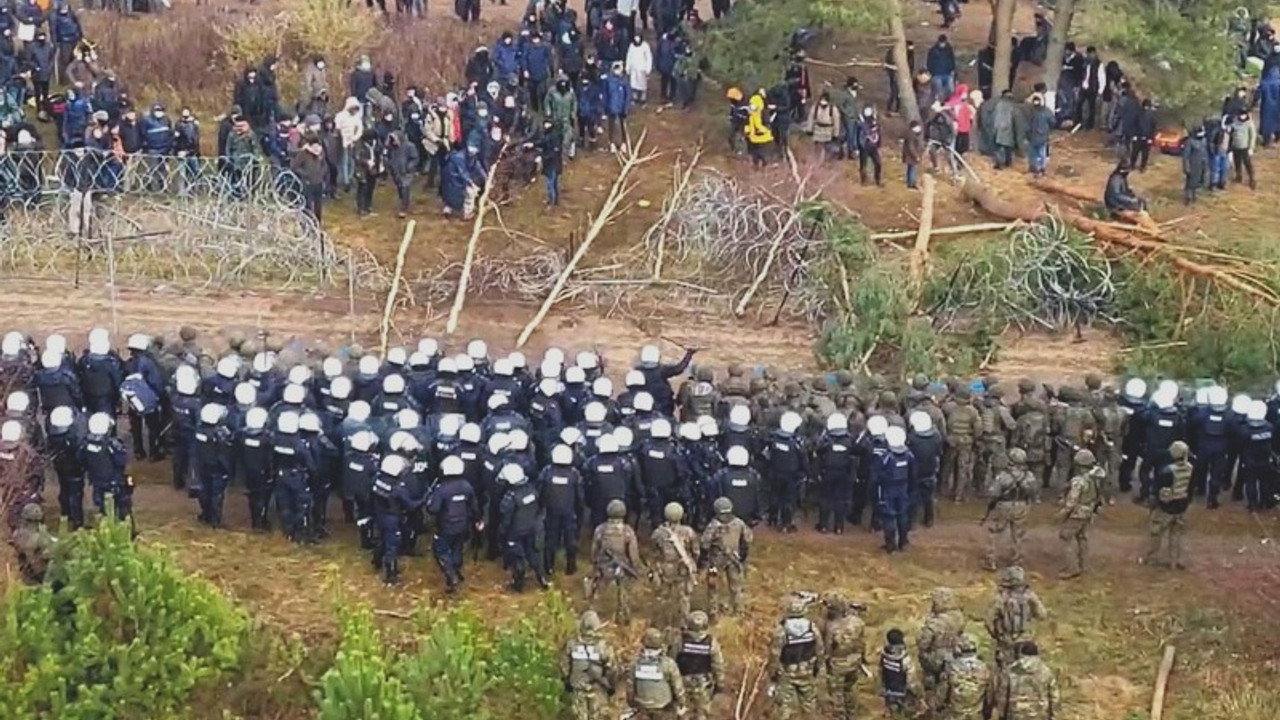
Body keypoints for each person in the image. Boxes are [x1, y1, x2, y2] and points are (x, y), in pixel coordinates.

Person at [427, 455, 481, 593]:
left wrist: (429, 499)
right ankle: (457, 570)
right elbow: (474, 507)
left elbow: (433, 509)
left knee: (441, 551)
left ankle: (451, 576)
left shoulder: (441, 489)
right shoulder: (466, 486)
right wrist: (477, 520)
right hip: (463, 526)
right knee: (457, 547)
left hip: (445, 527)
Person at [587, 498, 644, 622]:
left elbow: (594, 552)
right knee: (624, 595)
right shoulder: (628, 531)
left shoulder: (600, 530)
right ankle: (623, 617)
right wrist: (635, 568)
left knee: (600, 593)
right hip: (623, 570)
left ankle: (599, 617)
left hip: (604, 569)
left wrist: (595, 564)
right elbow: (633, 556)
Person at [770, 596, 824, 720]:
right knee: (809, 704)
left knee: (785, 706)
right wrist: (817, 668)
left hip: (787, 671)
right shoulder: (812, 627)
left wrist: (773, 674)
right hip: (807, 670)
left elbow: (774, 654)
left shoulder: (782, 630)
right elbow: (820, 649)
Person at [1140, 440, 1192, 569]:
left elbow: (1159, 490)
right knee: (1176, 535)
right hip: (1181, 506)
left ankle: (1151, 558)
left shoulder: (1167, 471)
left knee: (1156, 532)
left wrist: (1153, 503)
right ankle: (1175, 561)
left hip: (1166, 507)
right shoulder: (1190, 468)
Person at [984, 565, 1046, 670]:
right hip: (1026, 641)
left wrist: (996, 635)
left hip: (1006, 642)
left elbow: (988, 619)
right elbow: (1042, 615)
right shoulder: (1030, 596)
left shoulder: (1000, 598)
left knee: (1005, 672)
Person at [983, 447, 1036, 569]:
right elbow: (1034, 492)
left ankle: (991, 560)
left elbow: (993, 492)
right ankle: (1016, 560)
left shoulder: (1003, 476)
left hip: (1004, 506)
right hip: (1022, 505)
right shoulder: (1029, 476)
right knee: (1018, 534)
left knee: (996, 532)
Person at [699, 496, 752, 618]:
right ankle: (739, 611)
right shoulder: (739, 523)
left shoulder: (713, 525)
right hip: (734, 559)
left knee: (713, 588)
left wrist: (703, 561)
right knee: (736, 587)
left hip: (716, 561)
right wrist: (743, 556)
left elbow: (704, 544)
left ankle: (714, 613)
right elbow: (747, 540)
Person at [650, 501, 700, 626]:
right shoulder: (689, 532)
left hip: (664, 569)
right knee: (684, 597)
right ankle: (684, 624)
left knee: (663, 596)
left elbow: (654, 552)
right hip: (683, 568)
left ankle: (662, 623)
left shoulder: (658, 533)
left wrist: (656, 567)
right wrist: (691, 563)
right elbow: (696, 552)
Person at [563, 610, 617, 720]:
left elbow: (564, 664)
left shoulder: (572, 643)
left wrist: (567, 680)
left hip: (577, 687)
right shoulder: (603, 645)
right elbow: (612, 668)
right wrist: (609, 685)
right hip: (598, 688)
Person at [918, 587, 966, 711]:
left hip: (936, 659)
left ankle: (932, 708)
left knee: (932, 686)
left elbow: (923, 643)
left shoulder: (935, 623)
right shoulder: (959, 617)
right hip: (955, 655)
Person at [670, 610, 724, 720]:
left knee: (683, 713)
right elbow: (718, 665)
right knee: (702, 714)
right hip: (703, 685)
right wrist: (720, 683)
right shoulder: (711, 642)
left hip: (682, 683)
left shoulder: (680, 640)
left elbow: (671, 661)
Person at [1058, 448, 1103, 579]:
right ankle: (1085, 565)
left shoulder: (1078, 481)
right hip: (1090, 510)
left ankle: (1072, 568)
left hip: (1078, 512)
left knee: (1066, 537)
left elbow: (1072, 500)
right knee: (1082, 537)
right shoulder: (1096, 477)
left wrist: (1063, 512)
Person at [821, 593, 867, 720]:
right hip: (854, 662)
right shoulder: (858, 622)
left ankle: (840, 716)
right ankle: (851, 714)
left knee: (836, 693)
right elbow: (862, 643)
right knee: (850, 689)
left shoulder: (831, 627)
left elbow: (827, 649)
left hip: (837, 665)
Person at [627, 627, 687, 719]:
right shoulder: (668, 664)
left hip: (642, 710)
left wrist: (632, 704)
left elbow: (630, 688)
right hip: (664, 710)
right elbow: (678, 688)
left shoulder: (635, 664)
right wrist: (681, 703)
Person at [81, 412, 131, 521]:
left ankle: (106, 528)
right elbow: (121, 461)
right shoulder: (112, 444)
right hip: (114, 481)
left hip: (97, 482)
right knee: (123, 507)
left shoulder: (85, 444)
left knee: (103, 509)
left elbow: (82, 460)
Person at [193, 403, 234, 528]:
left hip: (202, 466)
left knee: (204, 491)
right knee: (217, 495)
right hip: (217, 469)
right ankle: (215, 520)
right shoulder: (219, 434)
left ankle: (205, 514)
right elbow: (223, 455)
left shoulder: (199, 430)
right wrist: (228, 471)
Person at [993, 642, 1059, 720]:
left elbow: (1003, 695)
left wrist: (1002, 715)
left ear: (1022, 653)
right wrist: (1054, 716)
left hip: (1015, 714)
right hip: (1040, 715)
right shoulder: (1046, 671)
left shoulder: (1011, 670)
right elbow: (1054, 697)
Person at [940, 634, 992, 720]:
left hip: (956, 714)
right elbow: (989, 695)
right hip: (976, 714)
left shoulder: (952, 668)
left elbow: (943, 693)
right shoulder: (984, 669)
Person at [878, 628, 918, 718]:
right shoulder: (904, 658)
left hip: (888, 688)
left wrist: (882, 686)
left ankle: (889, 712)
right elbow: (911, 675)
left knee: (891, 707)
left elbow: (880, 670)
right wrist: (915, 690)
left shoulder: (884, 654)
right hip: (902, 690)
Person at [10, 503, 52, 584]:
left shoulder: (16, 534)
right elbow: (48, 556)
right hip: (39, 575)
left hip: (24, 574)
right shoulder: (40, 538)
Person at [535, 118, 565, 206]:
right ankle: (554, 201)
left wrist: (542, 157)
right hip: (551, 164)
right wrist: (533, 144)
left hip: (553, 164)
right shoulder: (548, 134)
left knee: (550, 184)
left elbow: (554, 152)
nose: (545, 126)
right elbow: (542, 142)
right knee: (553, 183)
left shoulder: (554, 136)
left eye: (547, 124)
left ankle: (551, 202)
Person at [806, 92, 842, 162]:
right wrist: (809, 129)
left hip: (828, 130)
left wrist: (836, 134)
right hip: (818, 129)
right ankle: (817, 161)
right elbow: (810, 118)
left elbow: (836, 121)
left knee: (827, 147)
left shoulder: (833, 109)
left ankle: (826, 161)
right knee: (817, 147)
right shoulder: (815, 107)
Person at [1026, 93, 1053, 177]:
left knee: (1034, 153)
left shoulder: (1031, 111)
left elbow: (1028, 124)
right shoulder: (1047, 111)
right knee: (1041, 154)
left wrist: (1027, 135)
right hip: (1042, 136)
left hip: (1033, 137)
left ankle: (1035, 168)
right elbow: (1053, 122)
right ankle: (1041, 169)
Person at [1181, 124, 1208, 205]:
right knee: (1190, 182)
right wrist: (1186, 167)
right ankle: (1188, 197)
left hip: (1201, 164)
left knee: (1197, 182)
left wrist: (1205, 165)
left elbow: (1205, 153)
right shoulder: (1189, 142)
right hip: (1192, 165)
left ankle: (1194, 195)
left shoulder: (1204, 140)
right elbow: (1185, 156)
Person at [745, 92, 774, 168]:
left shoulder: (764, 113)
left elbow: (767, 124)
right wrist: (747, 131)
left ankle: (764, 164)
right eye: (751, 105)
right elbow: (747, 123)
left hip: (762, 137)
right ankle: (756, 166)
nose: (752, 106)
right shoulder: (750, 114)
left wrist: (761, 130)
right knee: (754, 153)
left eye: (753, 105)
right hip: (753, 136)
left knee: (761, 152)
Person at [1230, 110, 1257, 189]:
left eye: (1244, 115)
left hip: (1245, 147)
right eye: (1241, 115)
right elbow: (1231, 134)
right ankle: (1239, 176)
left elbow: (1252, 136)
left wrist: (1251, 147)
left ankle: (1252, 179)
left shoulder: (1249, 124)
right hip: (1235, 147)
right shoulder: (1234, 122)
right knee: (1237, 163)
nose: (1242, 117)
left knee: (1248, 164)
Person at [1129, 98, 1157, 171]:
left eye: (1148, 106)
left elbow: (1153, 128)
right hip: (1138, 136)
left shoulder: (1152, 116)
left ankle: (1143, 167)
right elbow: (1133, 125)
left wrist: (1151, 138)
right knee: (1135, 152)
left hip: (1147, 137)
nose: (1146, 108)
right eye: (1145, 106)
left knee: (1145, 154)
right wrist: (1134, 135)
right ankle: (1132, 165)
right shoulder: (1138, 113)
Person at [857, 106, 883, 186]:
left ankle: (877, 180)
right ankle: (863, 181)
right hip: (864, 146)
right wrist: (859, 147)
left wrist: (879, 144)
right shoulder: (861, 125)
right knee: (863, 165)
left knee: (878, 163)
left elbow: (878, 134)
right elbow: (859, 136)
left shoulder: (875, 123)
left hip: (874, 147)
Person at [927, 35, 956, 101]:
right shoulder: (933, 51)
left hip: (947, 73)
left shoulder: (949, 49)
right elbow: (929, 62)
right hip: (937, 74)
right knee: (939, 92)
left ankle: (949, 102)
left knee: (950, 90)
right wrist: (932, 72)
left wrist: (952, 69)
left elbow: (952, 60)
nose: (942, 44)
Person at [626, 35, 653, 105]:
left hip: (642, 68)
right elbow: (629, 56)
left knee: (642, 84)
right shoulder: (631, 46)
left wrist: (648, 69)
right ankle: (634, 97)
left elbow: (649, 58)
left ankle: (643, 98)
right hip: (633, 68)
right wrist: (627, 67)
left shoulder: (645, 46)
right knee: (633, 84)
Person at [902, 120, 925, 189]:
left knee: (911, 169)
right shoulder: (911, 135)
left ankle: (911, 182)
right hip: (911, 155)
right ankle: (911, 184)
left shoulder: (916, 134)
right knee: (912, 169)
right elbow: (910, 147)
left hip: (912, 155)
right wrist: (916, 156)